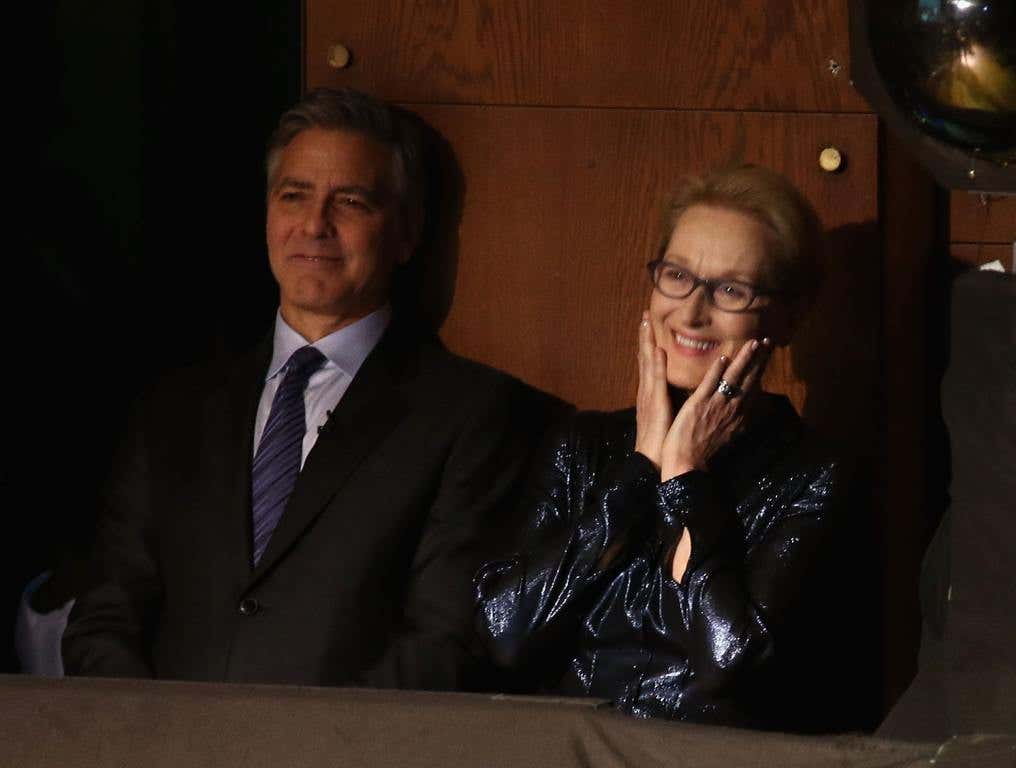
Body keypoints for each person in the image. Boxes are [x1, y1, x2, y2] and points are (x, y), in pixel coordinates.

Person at [62, 88, 543, 690]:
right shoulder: (173, 409)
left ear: (406, 233)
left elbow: (446, 641)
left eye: (350, 201)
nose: (314, 225)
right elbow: (103, 618)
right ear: (267, 214)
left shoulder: (473, 415)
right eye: (294, 196)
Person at [476, 164, 848, 729]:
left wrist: (683, 479)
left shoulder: (814, 473)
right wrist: (640, 468)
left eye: (730, 289)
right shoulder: (583, 443)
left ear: (788, 316)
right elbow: (505, 634)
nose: (692, 312)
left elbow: (731, 660)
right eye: (677, 275)